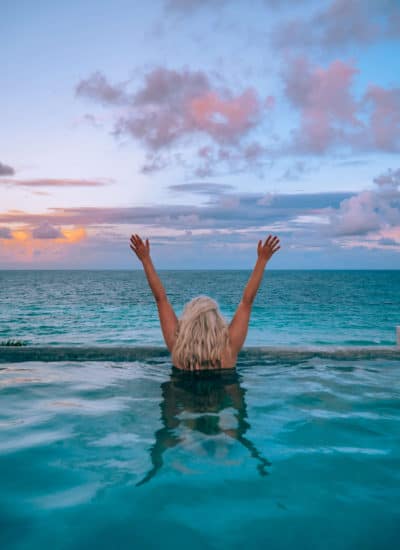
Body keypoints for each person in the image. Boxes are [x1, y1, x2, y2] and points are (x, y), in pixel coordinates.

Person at [130, 233, 280, 370]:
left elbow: (161, 299)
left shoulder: (177, 347)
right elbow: (247, 301)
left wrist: (145, 259)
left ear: (188, 323)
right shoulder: (228, 350)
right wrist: (262, 260)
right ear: (217, 323)